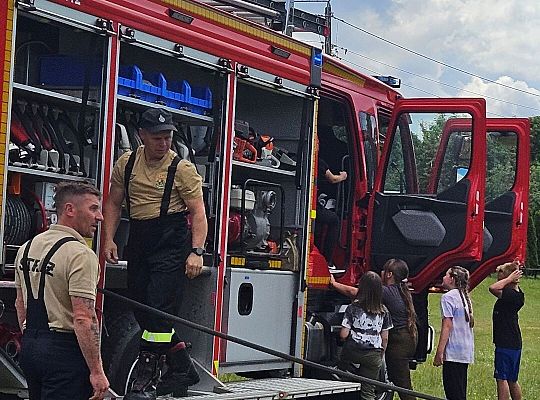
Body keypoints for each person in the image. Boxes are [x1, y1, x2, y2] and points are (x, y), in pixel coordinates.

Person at [102, 107, 208, 399]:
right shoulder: (127, 163)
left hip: (171, 241)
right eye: (158, 137)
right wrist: (108, 239)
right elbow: (113, 203)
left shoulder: (182, 169)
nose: (164, 143)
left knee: (157, 310)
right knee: (141, 307)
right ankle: (182, 367)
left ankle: (146, 378)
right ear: (142, 136)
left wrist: (196, 251)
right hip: (139, 237)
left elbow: (198, 213)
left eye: (168, 137)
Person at [14, 182, 109, 400]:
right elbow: (84, 318)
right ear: (69, 210)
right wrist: (97, 371)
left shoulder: (26, 248)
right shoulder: (80, 255)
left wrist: (34, 342)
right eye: (93, 208)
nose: (100, 217)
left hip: (31, 347)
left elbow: (20, 304)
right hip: (64, 353)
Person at [331, 259, 418, 400]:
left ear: (389, 274)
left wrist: (335, 284)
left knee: (402, 383)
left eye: (383, 270)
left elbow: (355, 293)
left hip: (398, 341)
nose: (381, 272)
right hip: (406, 338)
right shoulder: (400, 290)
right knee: (395, 378)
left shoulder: (385, 291)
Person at [338, 271, 393, 400]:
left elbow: (343, 334)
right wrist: (381, 353)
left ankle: (342, 375)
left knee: (340, 369)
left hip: (352, 352)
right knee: (368, 391)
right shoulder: (384, 311)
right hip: (373, 355)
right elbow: (385, 338)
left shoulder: (352, 308)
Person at [433, 266, 474, 400]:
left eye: (446, 275)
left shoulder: (448, 297)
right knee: (460, 389)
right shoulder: (464, 295)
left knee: (452, 392)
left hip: (453, 351)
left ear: (452, 279)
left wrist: (440, 351)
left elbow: (447, 325)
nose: (443, 278)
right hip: (465, 351)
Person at [489, 261, 524, 400]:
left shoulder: (511, 295)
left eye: (501, 275)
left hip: (506, 342)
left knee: (501, 378)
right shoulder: (516, 293)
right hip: (513, 343)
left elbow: (492, 288)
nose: (499, 279)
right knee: (511, 379)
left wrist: (508, 279)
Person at [314, 156, 347, 270]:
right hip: (312, 205)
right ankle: (328, 260)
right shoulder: (319, 162)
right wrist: (343, 176)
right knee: (334, 220)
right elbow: (332, 179)